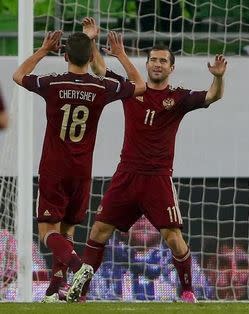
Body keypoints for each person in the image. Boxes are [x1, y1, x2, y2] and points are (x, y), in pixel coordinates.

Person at [66, 17, 227, 303]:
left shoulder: (178, 98)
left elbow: (213, 96)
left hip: (157, 177)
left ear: (171, 67)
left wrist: (217, 76)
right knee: (99, 230)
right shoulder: (131, 89)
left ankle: (187, 291)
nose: (156, 64)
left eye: (163, 61)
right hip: (126, 174)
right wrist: (90, 39)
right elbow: (99, 67)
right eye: (153, 60)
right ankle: (83, 291)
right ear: (147, 64)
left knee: (173, 238)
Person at [12, 27, 145, 302]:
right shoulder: (101, 87)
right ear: (90, 57)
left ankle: (78, 266)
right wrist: (118, 54)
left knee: (48, 231)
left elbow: (18, 75)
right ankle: (54, 288)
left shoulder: (53, 83)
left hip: (54, 168)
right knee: (69, 229)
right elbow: (140, 86)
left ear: (64, 56)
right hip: (82, 170)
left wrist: (42, 49)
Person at [88, 216, 212, 301]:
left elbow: (203, 301)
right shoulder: (100, 261)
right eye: (135, 212)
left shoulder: (185, 262)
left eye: (148, 211)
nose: (142, 218)